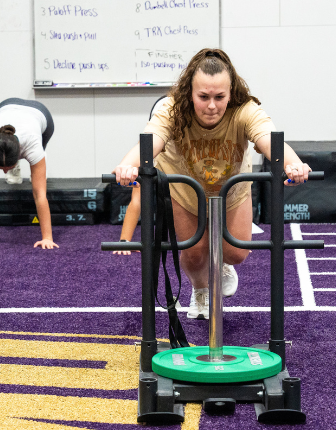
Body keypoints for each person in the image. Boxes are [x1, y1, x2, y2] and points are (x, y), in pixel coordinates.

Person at [112, 48, 311, 320]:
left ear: (231, 93)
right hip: (186, 190)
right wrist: (127, 165)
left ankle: (223, 265)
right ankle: (200, 289)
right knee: (194, 254)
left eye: (220, 97)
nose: (212, 106)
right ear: (190, 93)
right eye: (203, 97)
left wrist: (293, 163)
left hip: (231, 189)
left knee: (236, 253)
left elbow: (268, 137)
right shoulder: (173, 109)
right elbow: (151, 138)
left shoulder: (245, 110)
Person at [0, 98, 58, 249]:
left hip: (41, 114)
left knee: (38, 182)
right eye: (0, 167)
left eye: (8, 166)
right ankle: (15, 167)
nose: (4, 171)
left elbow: (39, 195)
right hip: (4, 106)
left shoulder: (32, 143)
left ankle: (35, 168)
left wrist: (47, 237)